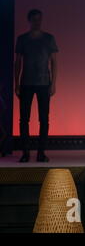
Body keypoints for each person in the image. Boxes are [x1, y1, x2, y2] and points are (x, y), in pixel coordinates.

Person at [15, 9, 58, 163]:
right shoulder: (22, 39)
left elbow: (53, 62)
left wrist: (53, 84)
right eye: (34, 20)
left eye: (39, 19)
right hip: (26, 82)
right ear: (29, 21)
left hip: (43, 83)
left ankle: (41, 152)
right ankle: (25, 152)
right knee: (24, 119)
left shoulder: (48, 38)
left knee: (44, 119)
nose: (37, 22)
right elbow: (18, 63)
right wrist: (17, 84)